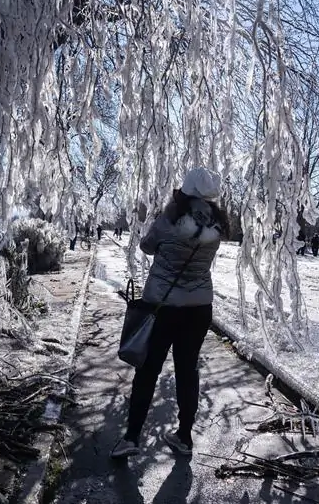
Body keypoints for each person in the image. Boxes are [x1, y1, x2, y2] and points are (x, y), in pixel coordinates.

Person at [110, 167, 228, 459]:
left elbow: (146, 246)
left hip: (162, 307)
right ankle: (184, 437)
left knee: (148, 370)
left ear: (184, 192)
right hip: (199, 308)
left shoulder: (169, 219)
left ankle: (131, 437)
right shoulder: (218, 226)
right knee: (187, 371)